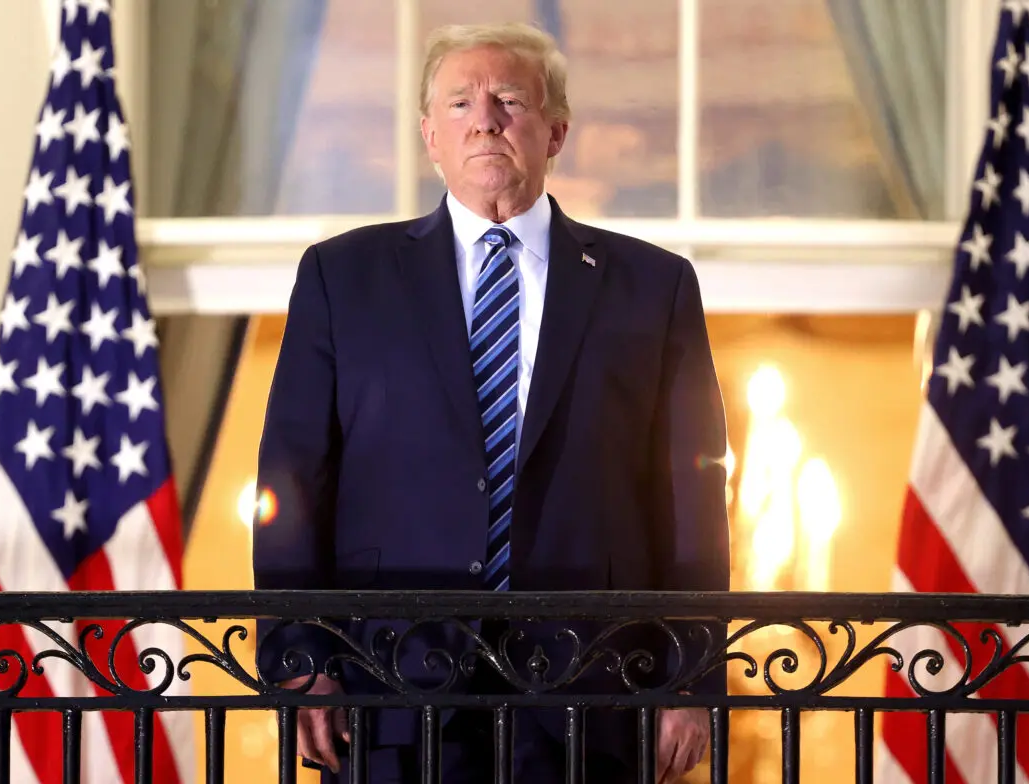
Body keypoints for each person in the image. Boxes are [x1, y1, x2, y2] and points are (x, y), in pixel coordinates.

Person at [252, 21, 730, 784]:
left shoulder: (654, 287)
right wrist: (298, 662)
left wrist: (693, 678)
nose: (485, 118)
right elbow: (291, 485)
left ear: (556, 131)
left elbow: (693, 498)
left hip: (591, 691)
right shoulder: (343, 278)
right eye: (460, 103)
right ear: (429, 135)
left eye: (510, 99)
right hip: (391, 690)